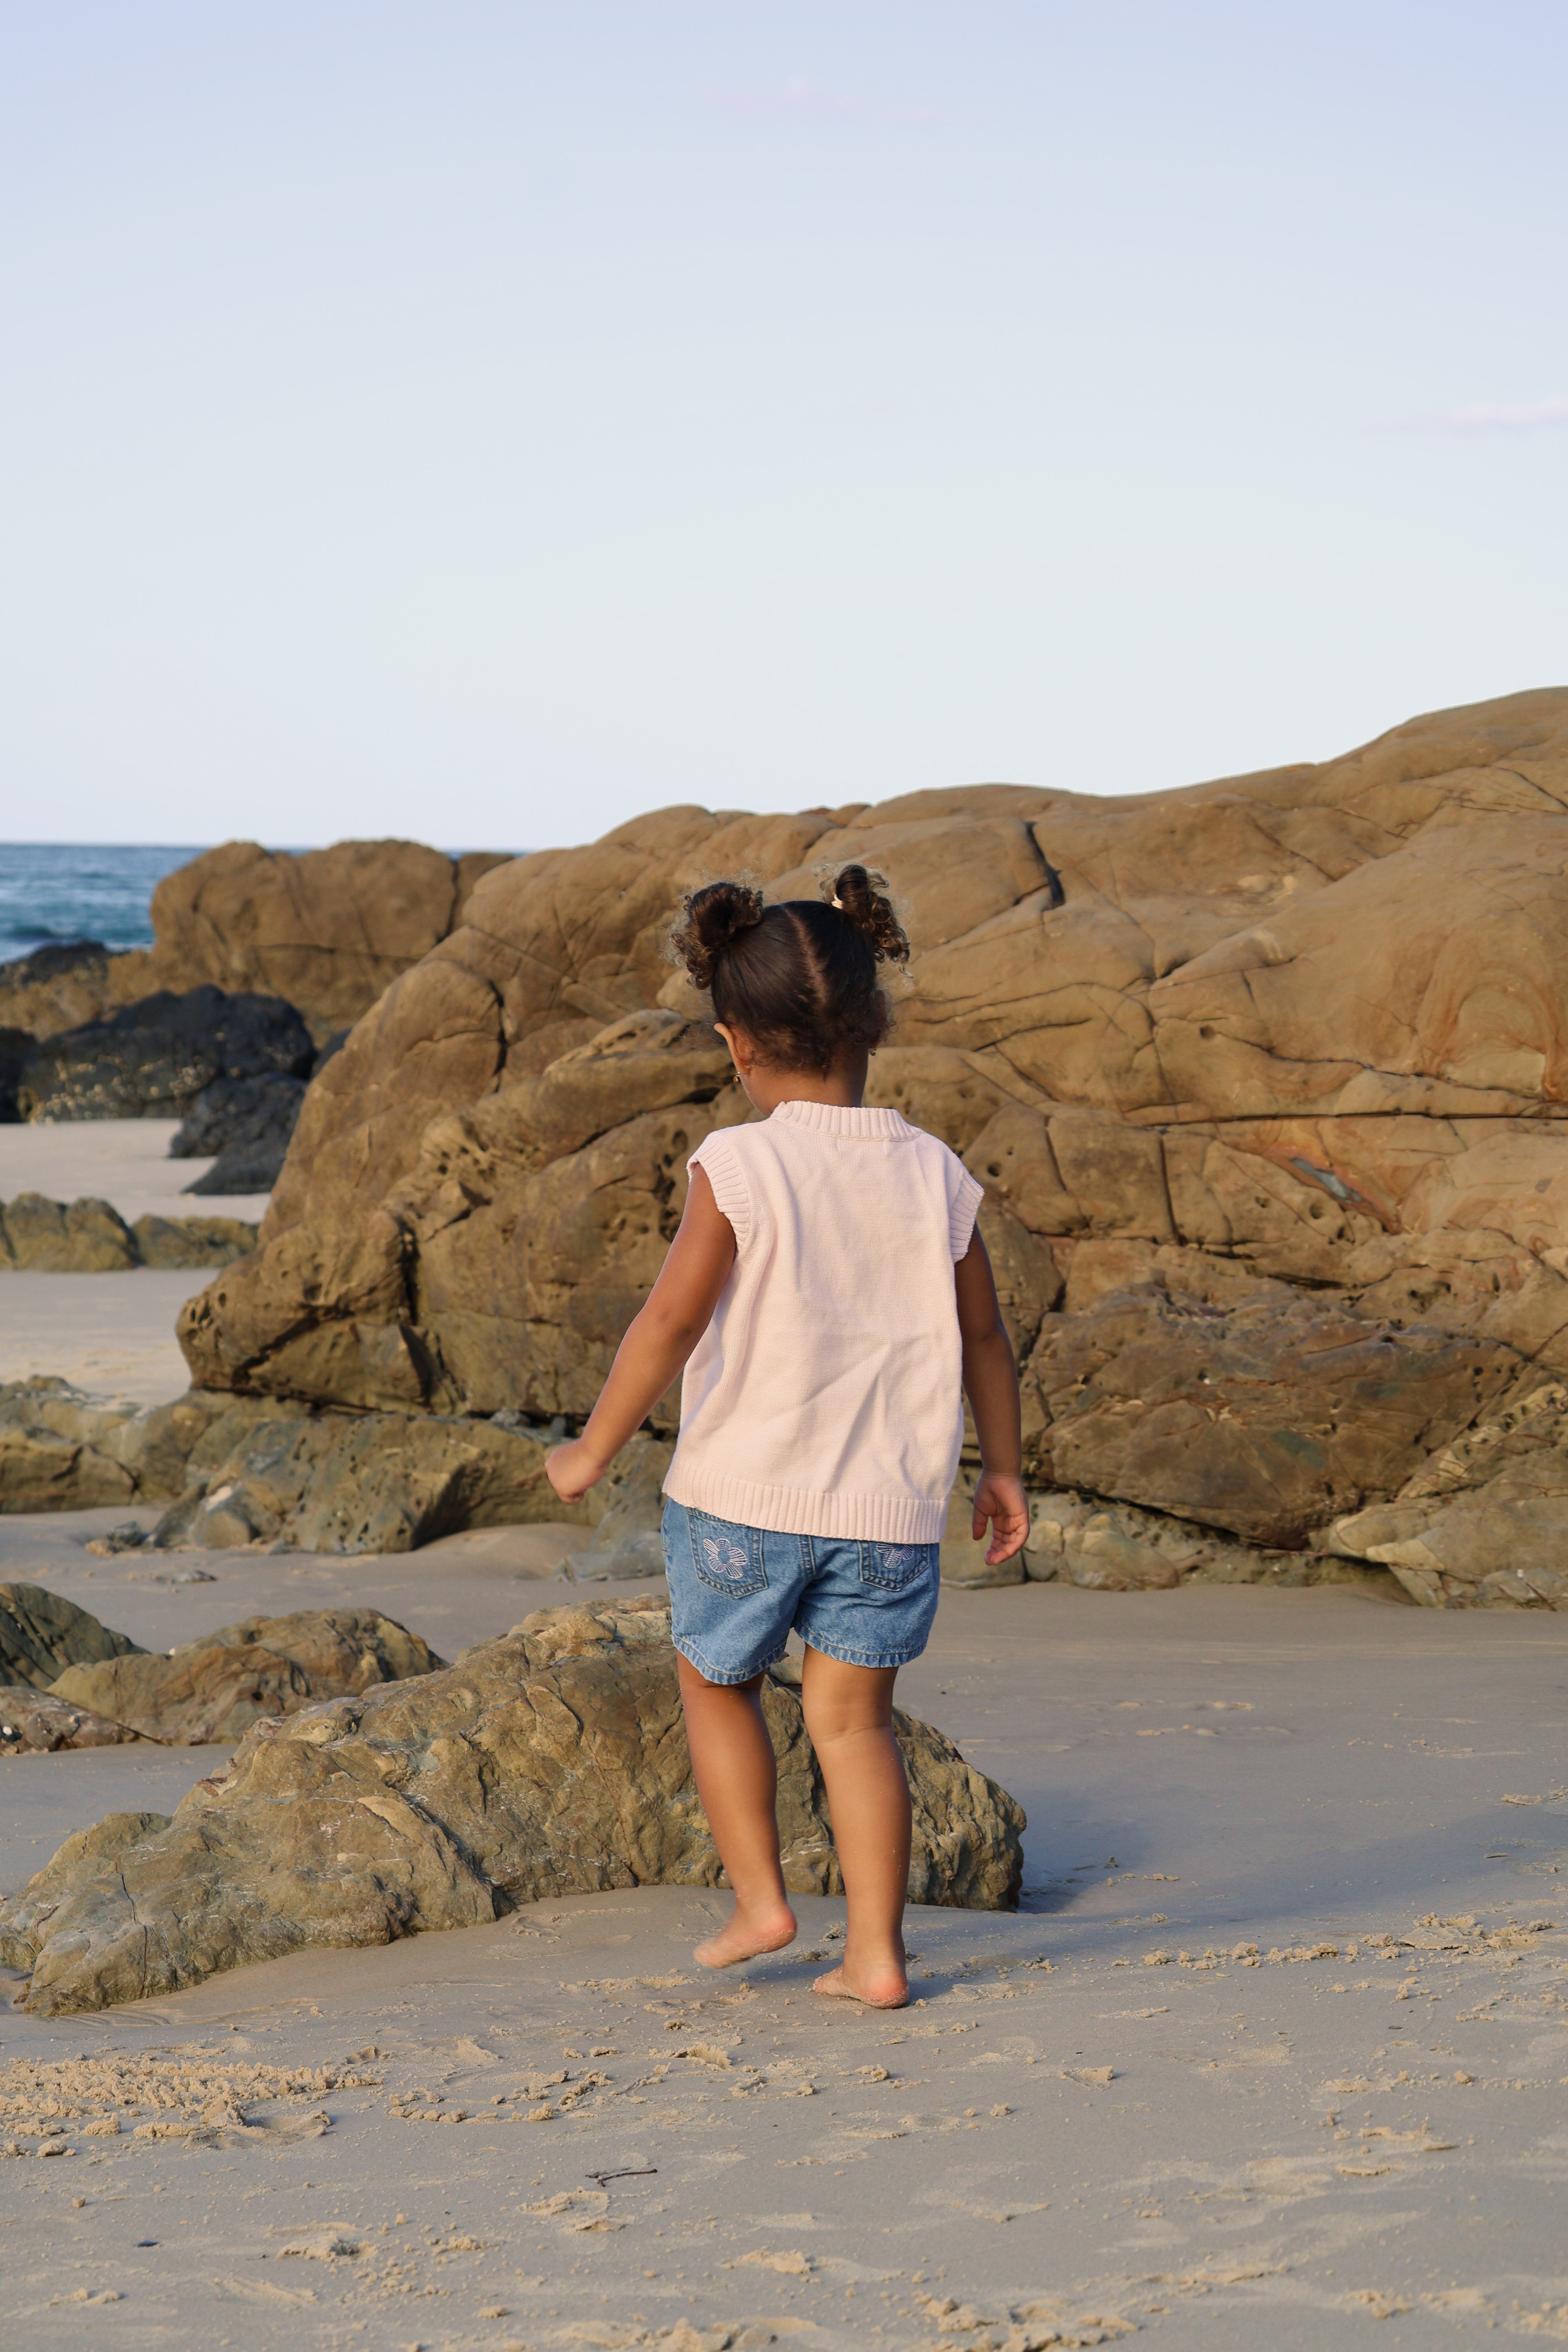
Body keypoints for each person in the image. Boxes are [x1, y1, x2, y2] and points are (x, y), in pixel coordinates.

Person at [546, 864, 1029, 2009]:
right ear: (875, 1026)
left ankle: (763, 1901)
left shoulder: (742, 1164)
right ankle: (876, 1957)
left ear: (735, 1044)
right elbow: (988, 1342)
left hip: (743, 1501)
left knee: (716, 1682)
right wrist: (1002, 1466)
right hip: (890, 1515)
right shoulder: (939, 1176)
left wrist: (594, 1448)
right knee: (856, 1727)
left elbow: (668, 1324)